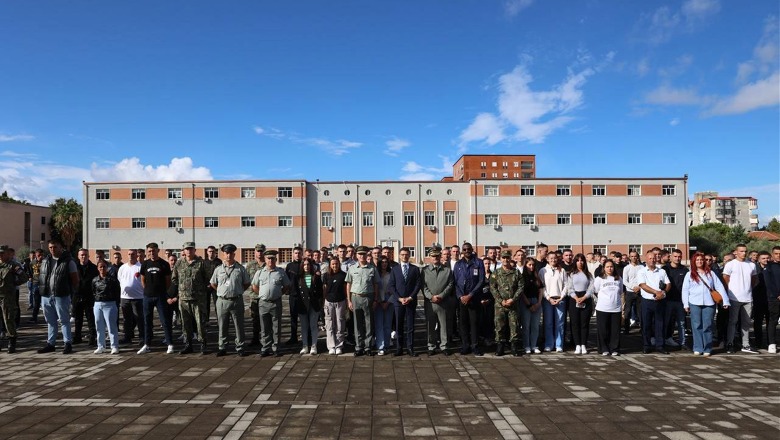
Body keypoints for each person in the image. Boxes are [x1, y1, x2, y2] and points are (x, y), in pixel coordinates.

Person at [682, 252, 730, 356]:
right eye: (697, 260)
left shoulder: (711, 274)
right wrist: (685, 304)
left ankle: (707, 348)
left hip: (709, 303)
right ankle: (698, 347)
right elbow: (685, 290)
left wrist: (725, 301)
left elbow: (719, 287)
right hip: (694, 302)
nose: (699, 262)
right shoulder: (689, 274)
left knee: (707, 326)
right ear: (694, 262)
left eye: (701, 260)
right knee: (696, 325)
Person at [37, 239, 78, 354]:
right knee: (50, 321)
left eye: (55, 247)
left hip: (61, 295)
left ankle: (67, 343)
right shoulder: (46, 261)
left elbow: (75, 280)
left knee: (64, 320)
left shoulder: (68, 261)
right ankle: (51, 344)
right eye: (50, 247)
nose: (52, 249)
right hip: (46, 295)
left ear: (61, 247)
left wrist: (72, 293)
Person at [210, 244, 250, 357]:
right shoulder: (218, 269)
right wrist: (222, 292)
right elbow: (213, 283)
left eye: (230, 253)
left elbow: (246, 283)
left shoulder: (240, 269)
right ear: (223, 254)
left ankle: (240, 347)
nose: (228, 255)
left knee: (239, 325)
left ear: (234, 254)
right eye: (226, 253)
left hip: (236, 300)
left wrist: (238, 290)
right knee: (222, 325)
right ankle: (222, 347)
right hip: (222, 301)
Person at [170, 242, 209, 355]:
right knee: (185, 323)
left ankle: (203, 344)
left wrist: (198, 289)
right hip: (183, 299)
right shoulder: (179, 263)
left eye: (191, 249)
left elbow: (207, 279)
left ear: (194, 250)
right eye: (186, 249)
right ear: (184, 251)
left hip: (198, 299)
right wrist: (183, 288)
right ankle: (188, 345)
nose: (188, 251)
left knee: (200, 323)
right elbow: (174, 279)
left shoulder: (201, 263)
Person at [251, 250, 291, 357]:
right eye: (268, 258)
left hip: (276, 303)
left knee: (276, 327)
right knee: (264, 327)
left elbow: (286, 286)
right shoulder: (259, 272)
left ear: (276, 260)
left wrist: (278, 294)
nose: (270, 260)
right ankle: (265, 347)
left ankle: (276, 347)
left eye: (273, 258)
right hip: (263, 303)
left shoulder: (280, 272)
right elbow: (254, 286)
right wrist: (263, 294)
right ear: (265, 259)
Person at [138, 243, 174, 355]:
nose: (151, 253)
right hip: (147, 297)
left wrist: (162, 291)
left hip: (161, 297)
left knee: (165, 321)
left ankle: (170, 344)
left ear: (158, 251)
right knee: (147, 321)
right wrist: (148, 290)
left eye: (153, 251)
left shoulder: (164, 264)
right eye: (149, 251)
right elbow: (143, 280)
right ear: (147, 252)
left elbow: (168, 281)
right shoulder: (145, 264)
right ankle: (147, 344)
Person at [723, 244, 759, 354]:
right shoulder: (730, 264)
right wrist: (732, 289)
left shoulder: (751, 265)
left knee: (747, 322)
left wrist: (747, 288)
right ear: (736, 252)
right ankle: (730, 343)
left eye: (745, 251)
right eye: (741, 251)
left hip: (748, 298)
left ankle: (746, 344)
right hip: (734, 298)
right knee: (733, 321)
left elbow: (754, 279)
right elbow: (725, 278)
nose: (744, 253)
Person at [346, 246, 380, 357]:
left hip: (368, 297)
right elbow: (348, 285)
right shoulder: (352, 268)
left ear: (367, 255)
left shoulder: (372, 268)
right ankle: (358, 347)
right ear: (356, 255)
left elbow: (376, 285)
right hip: (355, 297)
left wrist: (375, 299)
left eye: (364, 254)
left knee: (369, 323)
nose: (362, 256)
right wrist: (349, 300)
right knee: (357, 324)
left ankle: (368, 347)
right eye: (360, 254)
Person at [421, 247, 454, 356]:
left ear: (440, 257)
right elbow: (423, 286)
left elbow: (450, 285)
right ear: (430, 257)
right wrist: (431, 297)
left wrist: (441, 296)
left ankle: (444, 346)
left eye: (437, 256)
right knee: (430, 325)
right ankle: (431, 346)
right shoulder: (425, 271)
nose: (435, 258)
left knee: (444, 325)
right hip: (430, 303)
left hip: (443, 302)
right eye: (433, 256)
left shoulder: (447, 270)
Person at [454, 242, 485, 356]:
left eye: (469, 249)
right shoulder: (458, 264)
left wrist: (470, 295)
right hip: (462, 299)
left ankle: (475, 346)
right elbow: (455, 282)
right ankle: (465, 345)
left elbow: (481, 281)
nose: (467, 251)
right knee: (463, 323)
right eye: (465, 249)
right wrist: (461, 296)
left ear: (472, 250)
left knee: (474, 323)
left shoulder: (478, 262)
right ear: (462, 251)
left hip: (474, 298)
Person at [389, 247, 422, 357]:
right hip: (398, 302)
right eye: (402, 254)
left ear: (409, 256)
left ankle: (410, 347)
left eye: (407, 254)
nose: (404, 256)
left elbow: (418, 284)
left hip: (411, 301)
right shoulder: (394, 269)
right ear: (399, 256)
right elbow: (392, 286)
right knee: (399, 326)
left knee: (410, 326)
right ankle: (399, 348)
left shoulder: (415, 269)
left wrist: (410, 297)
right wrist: (399, 298)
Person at [637, 249, 671, 354]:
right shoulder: (641, 271)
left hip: (660, 301)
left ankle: (660, 346)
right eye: (650, 258)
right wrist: (656, 292)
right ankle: (646, 345)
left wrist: (663, 293)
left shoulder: (662, 271)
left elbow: (668, 284)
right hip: (647, 301)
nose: (652, 260)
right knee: (646, 324)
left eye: (654, 258)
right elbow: (642, 285)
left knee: (660, 324)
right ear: (646, 260)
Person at [490, 250, 523, 356]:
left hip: (513, 304)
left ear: (510, 258)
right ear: (501, 259)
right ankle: (500, 346)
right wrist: (501, 301)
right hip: (500, 305)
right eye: (503, 258)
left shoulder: (516, 272)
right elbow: (492, 288)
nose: (505, 260)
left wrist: (513, 299)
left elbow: (521, 286)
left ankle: (514, 347)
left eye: (507, 258)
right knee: (499, 326)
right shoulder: (496, 273)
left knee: (514, 326)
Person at [0, 245, 27, 353]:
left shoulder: (13, 266)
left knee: (8, 319)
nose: (1, 255)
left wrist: (13, 284)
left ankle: (11, 342)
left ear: (7, 254)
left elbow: (24, 277)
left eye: (2, 253)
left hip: (7, 296)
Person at [593, 260, 623, 356]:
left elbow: (620, 291)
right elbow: (595, 290)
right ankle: (604, 348)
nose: (609, 268)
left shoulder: (618, 278)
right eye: (607, 267)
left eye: (611, 267)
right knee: (603, 330)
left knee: (615, 330)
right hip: (603, 308)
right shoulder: (599, 278)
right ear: (604, 268)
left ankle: (614, 348)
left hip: (616, 308)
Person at [540, 252, 567, 352]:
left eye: (555, 258)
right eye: (551, 258)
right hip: (548, 300)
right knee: (548, 323)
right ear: (547, 259)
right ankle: (549, 344)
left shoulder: (562, 270)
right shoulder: (543, 271)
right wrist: (548, 298)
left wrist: (561, 297)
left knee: (560, 323)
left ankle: (559, 344)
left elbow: (566, 285)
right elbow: (542, 287)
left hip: (560, 299)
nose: (553, 260)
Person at [92, 259, 120, 354]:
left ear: (107, 268)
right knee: (99, 326)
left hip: (110, 303)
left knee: (111, 326)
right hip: (98, 304)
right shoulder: (95, 280)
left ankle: (114, 346)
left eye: (104, 266)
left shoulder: (112, 280)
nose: (102, 268)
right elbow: (93, 291)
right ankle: (101, 346)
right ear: (97, 268)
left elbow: (117, 292)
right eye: (100, 267)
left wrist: (116, 303)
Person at [567, 254, 594, 355]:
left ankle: (583, 344)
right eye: (578, 260)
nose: (580, 262)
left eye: (582, 260)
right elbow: (569, 288)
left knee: (584, 323)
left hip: (585, 298)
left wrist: (584, 297)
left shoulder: (589, 274)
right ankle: (577, 345)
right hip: (574, 298)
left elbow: (591, 288)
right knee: (575, 323)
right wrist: (576, 298)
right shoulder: (571, 274)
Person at [663, 249, 689, 349]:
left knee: (681, 323)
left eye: (679, 256)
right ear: (671, 257)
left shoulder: (685, 270)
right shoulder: (665, 269)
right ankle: (665, 339)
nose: (677, 258)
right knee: (667, 321)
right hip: (668, 300)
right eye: (675, 256)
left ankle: (683, 343)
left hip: (680, 301)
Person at [297, 258, 323, 355]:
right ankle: (304, 346)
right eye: (304, 265)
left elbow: (320, 292)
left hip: (314, 305)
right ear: (302, 266)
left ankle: (314, 346)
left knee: (313, 326)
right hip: (302, 305)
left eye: (308, 264)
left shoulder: (315, 277)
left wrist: (320, 304)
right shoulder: (298, 277)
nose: (306, 266)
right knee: (304, 327)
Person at [118, 249, 144, 345]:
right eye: (129, 254)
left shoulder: (140, 267)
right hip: (124, 298)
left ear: (136, 255)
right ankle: (127, 337)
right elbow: (120, 279)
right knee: (126, 319)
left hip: (138, 297)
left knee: (139, 319)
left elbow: (143, 281)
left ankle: (142, 337)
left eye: (133, 254)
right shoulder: (122, 267)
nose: (130, 256)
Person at [74, 249, 99, 347]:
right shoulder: (74, 267)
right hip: (77, 295)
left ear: (88, 256)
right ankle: (77, 337)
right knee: (78, 318)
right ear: (78, 256)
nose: (83, 257)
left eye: (85, 255)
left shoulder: (93, 268)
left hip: (89, 297)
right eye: (81, 255)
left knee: (91, 318)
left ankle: (92, 337)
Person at [322, 258, 347, 355]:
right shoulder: (326, 275)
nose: (334, 266)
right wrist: (324, 301)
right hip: (329, 302)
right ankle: (331, 346)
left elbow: (345, 289)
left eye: (336, 264)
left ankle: (339, 345)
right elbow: (324, 289)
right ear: (330, 265)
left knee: (340, 324)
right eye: (332, 264)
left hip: (340, 302)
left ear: (339, 264)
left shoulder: (343, 275)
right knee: (329, 324)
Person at [519, 258, 542, 354]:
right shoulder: (522, 277)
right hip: (525, 302)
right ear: (525, 265)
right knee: (526, 326)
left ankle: (534, 345)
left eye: (533, 265)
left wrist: (538, 303)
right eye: (529, 265)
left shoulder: (537, 276)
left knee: (535, 326)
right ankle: (527, 345)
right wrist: (528, 305)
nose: (531, 267)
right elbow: (521, 292)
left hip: (536, 301)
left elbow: (541, 290)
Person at [245, 244, 266, 346]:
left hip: (265, 296)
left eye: (261, 251)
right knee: (255, 318)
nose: (259, 253)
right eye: (258, 251)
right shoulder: (250, 265)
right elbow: (245, 279)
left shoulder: (267, 264)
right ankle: (255, 338)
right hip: (254, 296)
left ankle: (265, 339)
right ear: (255, 252)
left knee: (265, 318)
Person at [285, 246, 305, 346]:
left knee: (304, 318)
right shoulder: (289, 266)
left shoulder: (304, 265)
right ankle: (293, 337)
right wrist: (287, 290)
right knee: (293, 317)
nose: (297, 255)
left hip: (304, 296)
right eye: (296, 253)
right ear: (293, 254)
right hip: (293, 295)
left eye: (299, 253)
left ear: (302, 254)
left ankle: (306, 337)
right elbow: (286, 280)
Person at [374, 257, 393, 355]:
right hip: (378, 301)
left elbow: (394, 289)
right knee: (379, 325)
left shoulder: (391, 274)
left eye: (386, 262)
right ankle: (380, 346)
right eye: (382, 262)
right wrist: (380, 301)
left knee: (387, 325)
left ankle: (386, 345)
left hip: (389, 301)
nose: (384, 264)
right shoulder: (376, 274)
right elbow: (374, 288)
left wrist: (388, 302)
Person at [622, 251, 643, 334]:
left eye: (635, 256)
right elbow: (624, 281)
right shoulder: (627, 268)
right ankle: (626, 329)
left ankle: (642, 328)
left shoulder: (642, 267)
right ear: (629, 257)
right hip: (630, 292)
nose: (633, 258)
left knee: (640, 311)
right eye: (632, 256)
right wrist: (632, 287)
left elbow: (644, 279)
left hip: (640, 291)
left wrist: (639, 287)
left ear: (637, 257)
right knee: (627, 311)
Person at [765, 246, 780, 353]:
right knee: (773, 321)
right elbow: (769, 284)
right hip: (774, 298)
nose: (778, 256)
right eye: (776, 253)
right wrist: (777, 294)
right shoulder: (768, 267)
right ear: (772, 254)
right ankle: (772, 343)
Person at [203, 245, 222, 326]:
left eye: (213, 251)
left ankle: (219, 320)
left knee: (217, 304)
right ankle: (206, 320)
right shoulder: (204, 262)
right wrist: (206, 284)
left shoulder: (219, 262)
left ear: (215, 252)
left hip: (216, 286)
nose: (211, 253)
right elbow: (202, 274)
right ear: (207, 252)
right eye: (210, 251)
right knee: (205, 304)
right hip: (206, 286)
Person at [26, 249, 43, 323]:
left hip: (44, 283)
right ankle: (34, 317)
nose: (40, 257)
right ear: (36, 255)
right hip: (35, 283)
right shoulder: (32, 263)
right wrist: (30, 277)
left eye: (41, 255)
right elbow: (29, 271)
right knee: (36, 301)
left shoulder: (45, 262)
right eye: (38, 255)